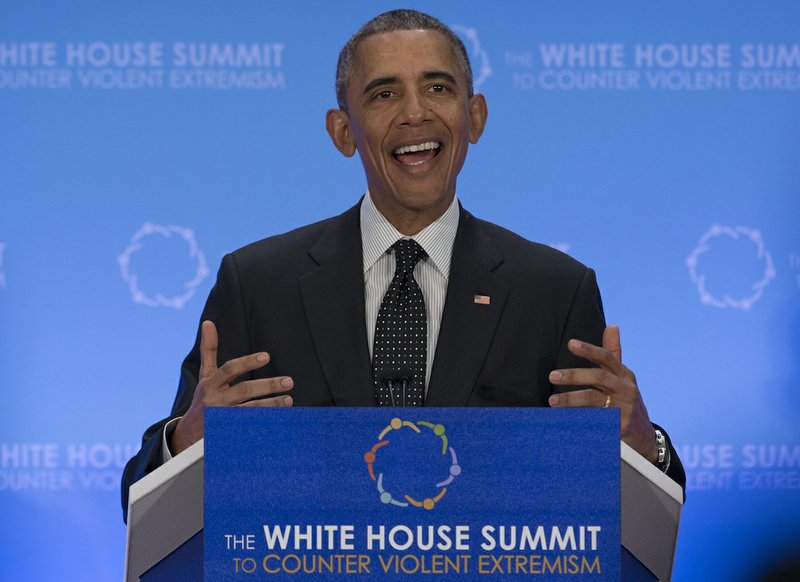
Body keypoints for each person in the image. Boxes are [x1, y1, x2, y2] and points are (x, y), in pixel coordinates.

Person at [121, 9, 684, 521]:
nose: (415, 113)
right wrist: (187, 442)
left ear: (475, 116)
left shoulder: (555, 291)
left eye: (437, 87)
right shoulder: (258, 284)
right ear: (343, 131)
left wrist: (642, 448)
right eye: (384, 94)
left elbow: (622, 520)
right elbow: (140, 501)